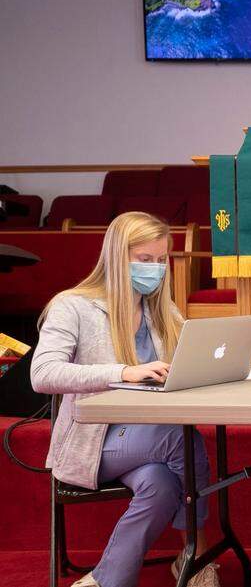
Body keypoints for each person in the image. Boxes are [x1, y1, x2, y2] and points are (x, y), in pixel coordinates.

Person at [31, 211, 220, 587]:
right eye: (144, 260)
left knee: (162, 482)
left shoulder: (161, 310)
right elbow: (43, 374)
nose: (155, 269)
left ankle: (106, 581)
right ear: (118, 258)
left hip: (145, 442)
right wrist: (121, 372)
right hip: (93, 442)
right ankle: (194, 555)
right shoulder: (73, 306)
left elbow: (185, 368)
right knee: (180, 439)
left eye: (160, 260)